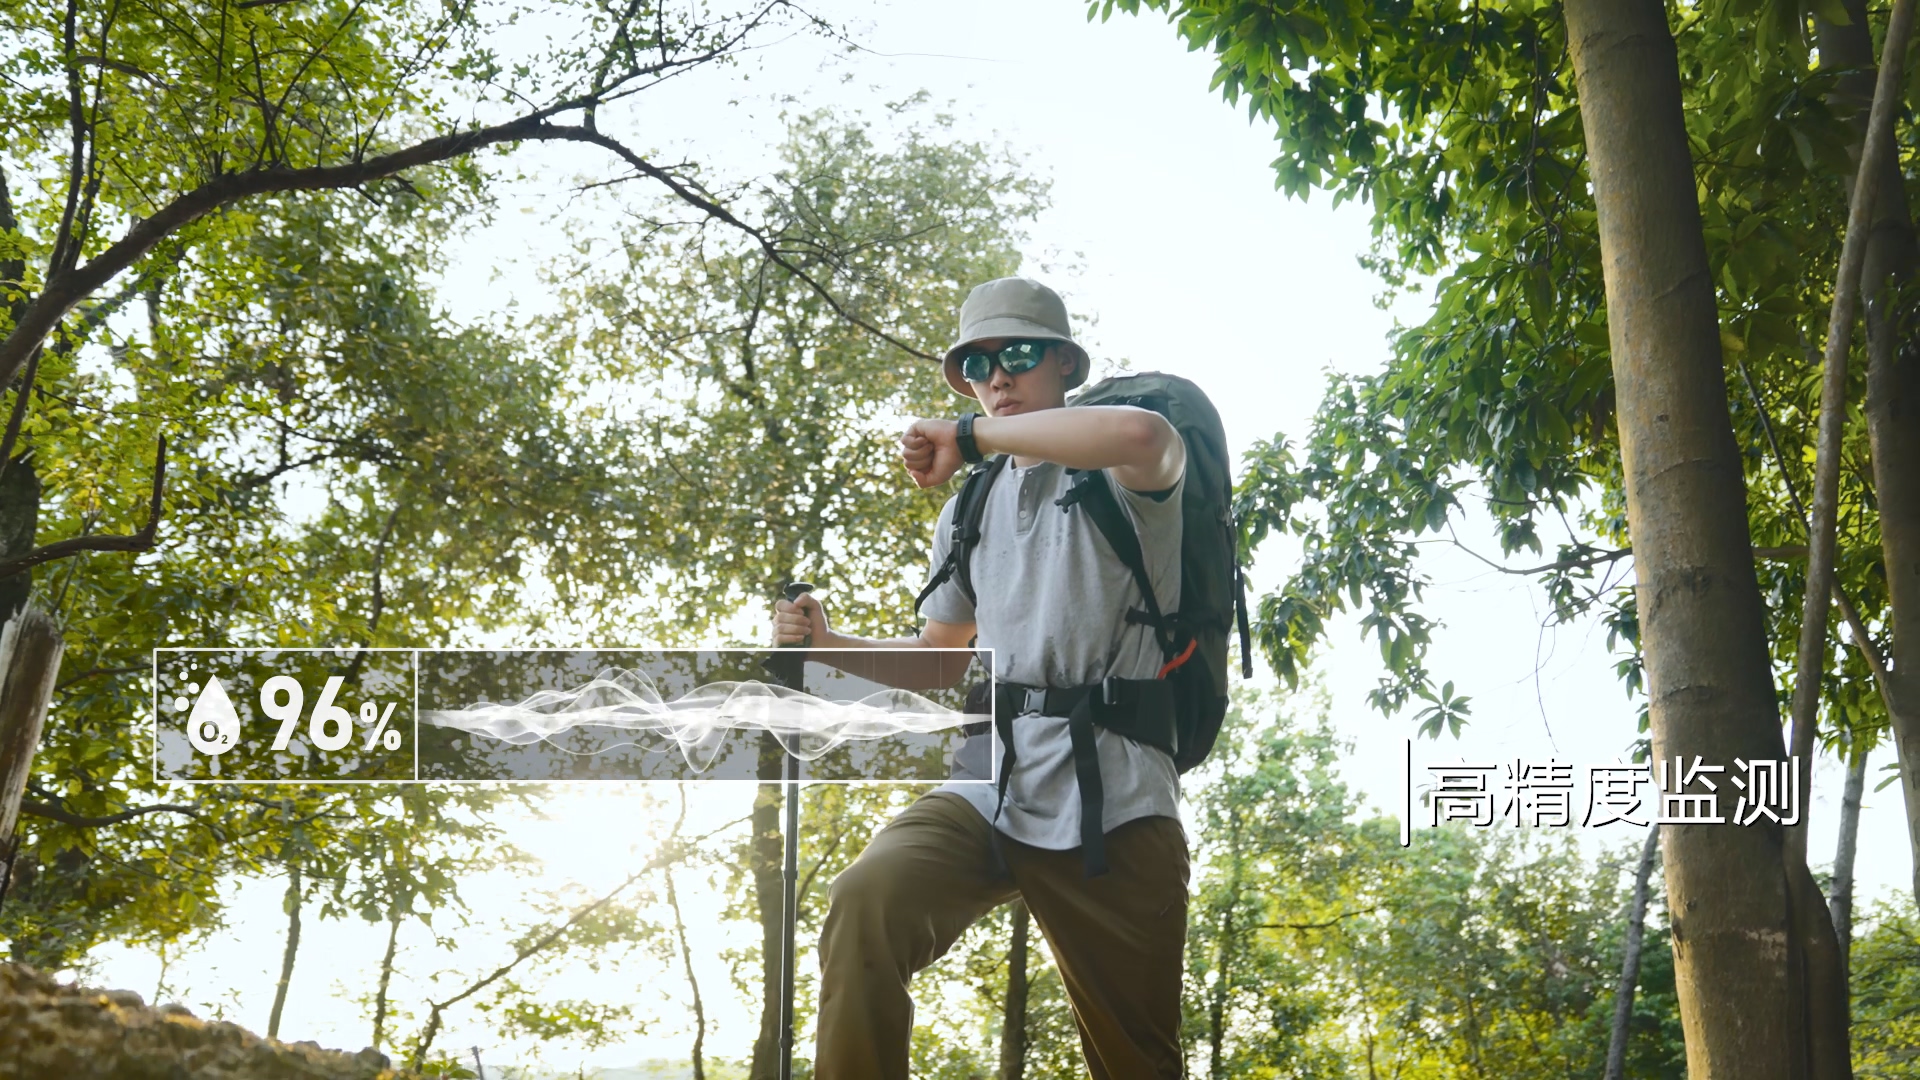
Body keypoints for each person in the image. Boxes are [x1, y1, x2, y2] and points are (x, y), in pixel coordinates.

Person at [769, 276, 1190, 1079]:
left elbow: (1146, 439)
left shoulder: (1121, 475)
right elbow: (942, 656)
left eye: (1020, 354)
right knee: (868, 898)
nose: (997, 378)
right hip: (990, 780)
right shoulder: (968, 508)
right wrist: (828, 641)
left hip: (1116, 800)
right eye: (976, 365)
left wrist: (973, 435)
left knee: (1138, 1061)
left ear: (1064, 363)